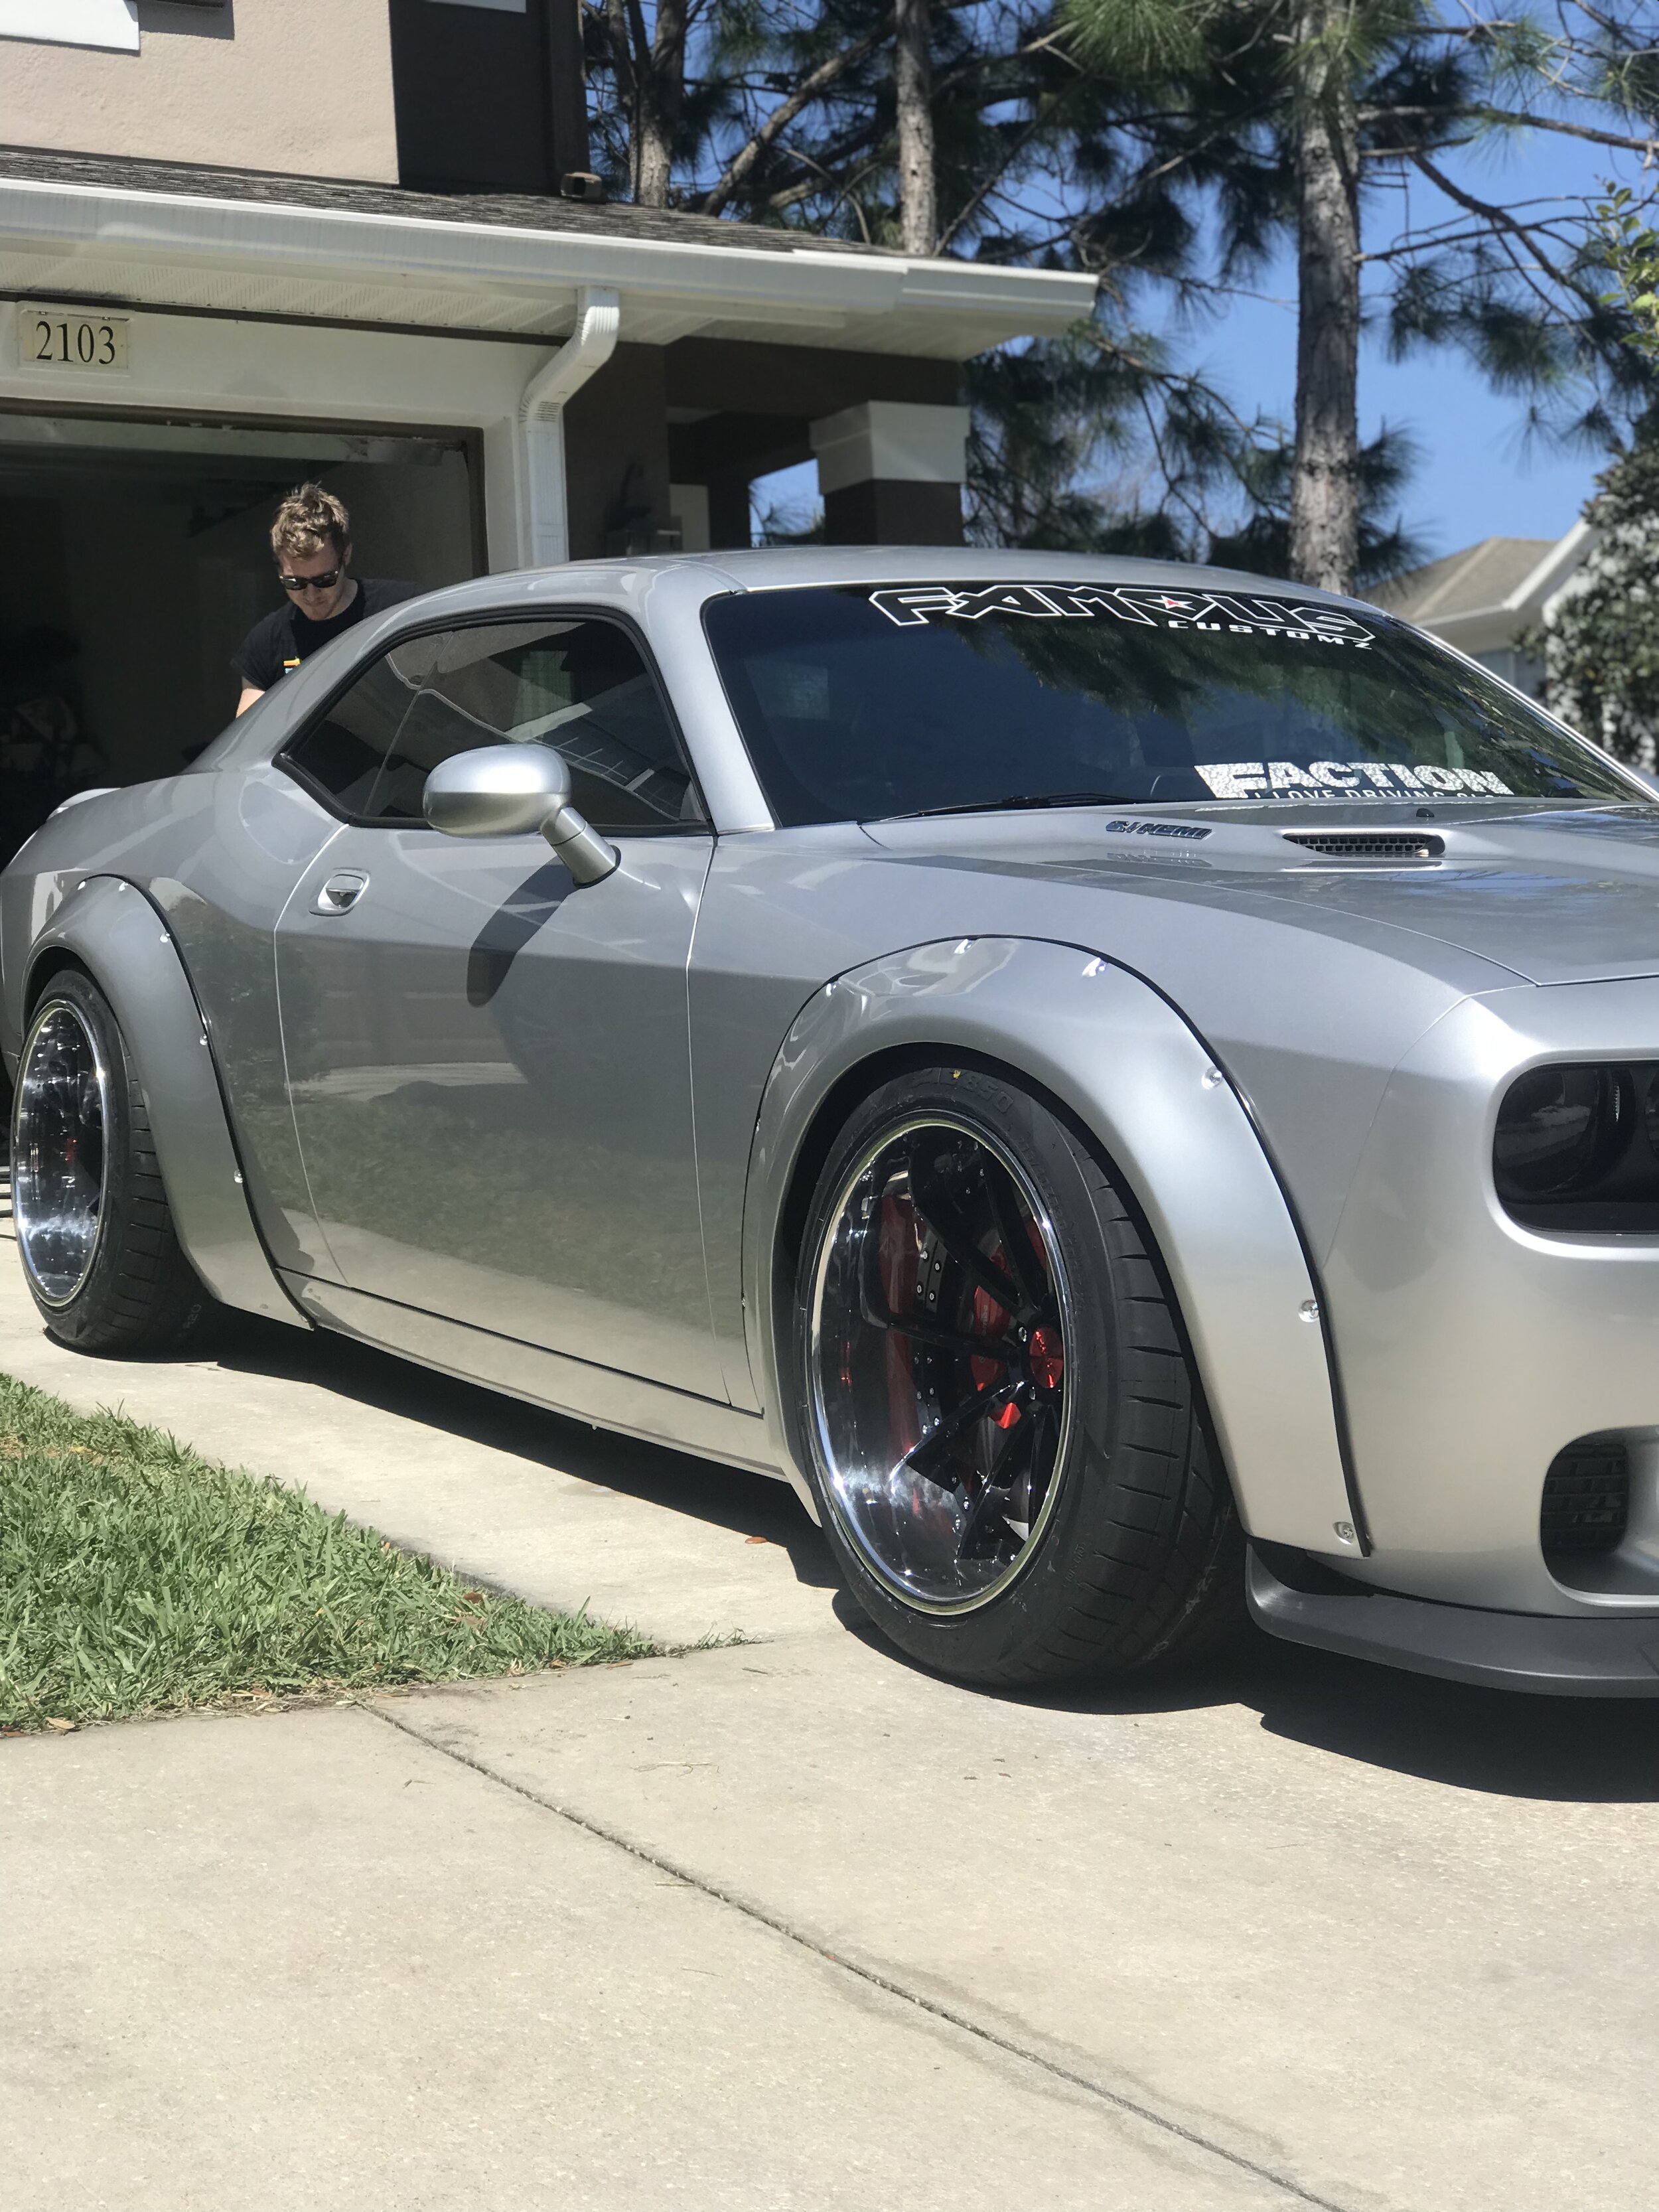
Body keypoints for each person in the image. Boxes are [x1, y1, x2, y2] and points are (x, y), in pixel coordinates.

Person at [233, 484, 418, 714]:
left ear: (346, 555)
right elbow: (250, 738)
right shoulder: (266, 643)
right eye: (295, 583)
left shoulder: (402, 609)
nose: (311, 595)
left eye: (324, 580)